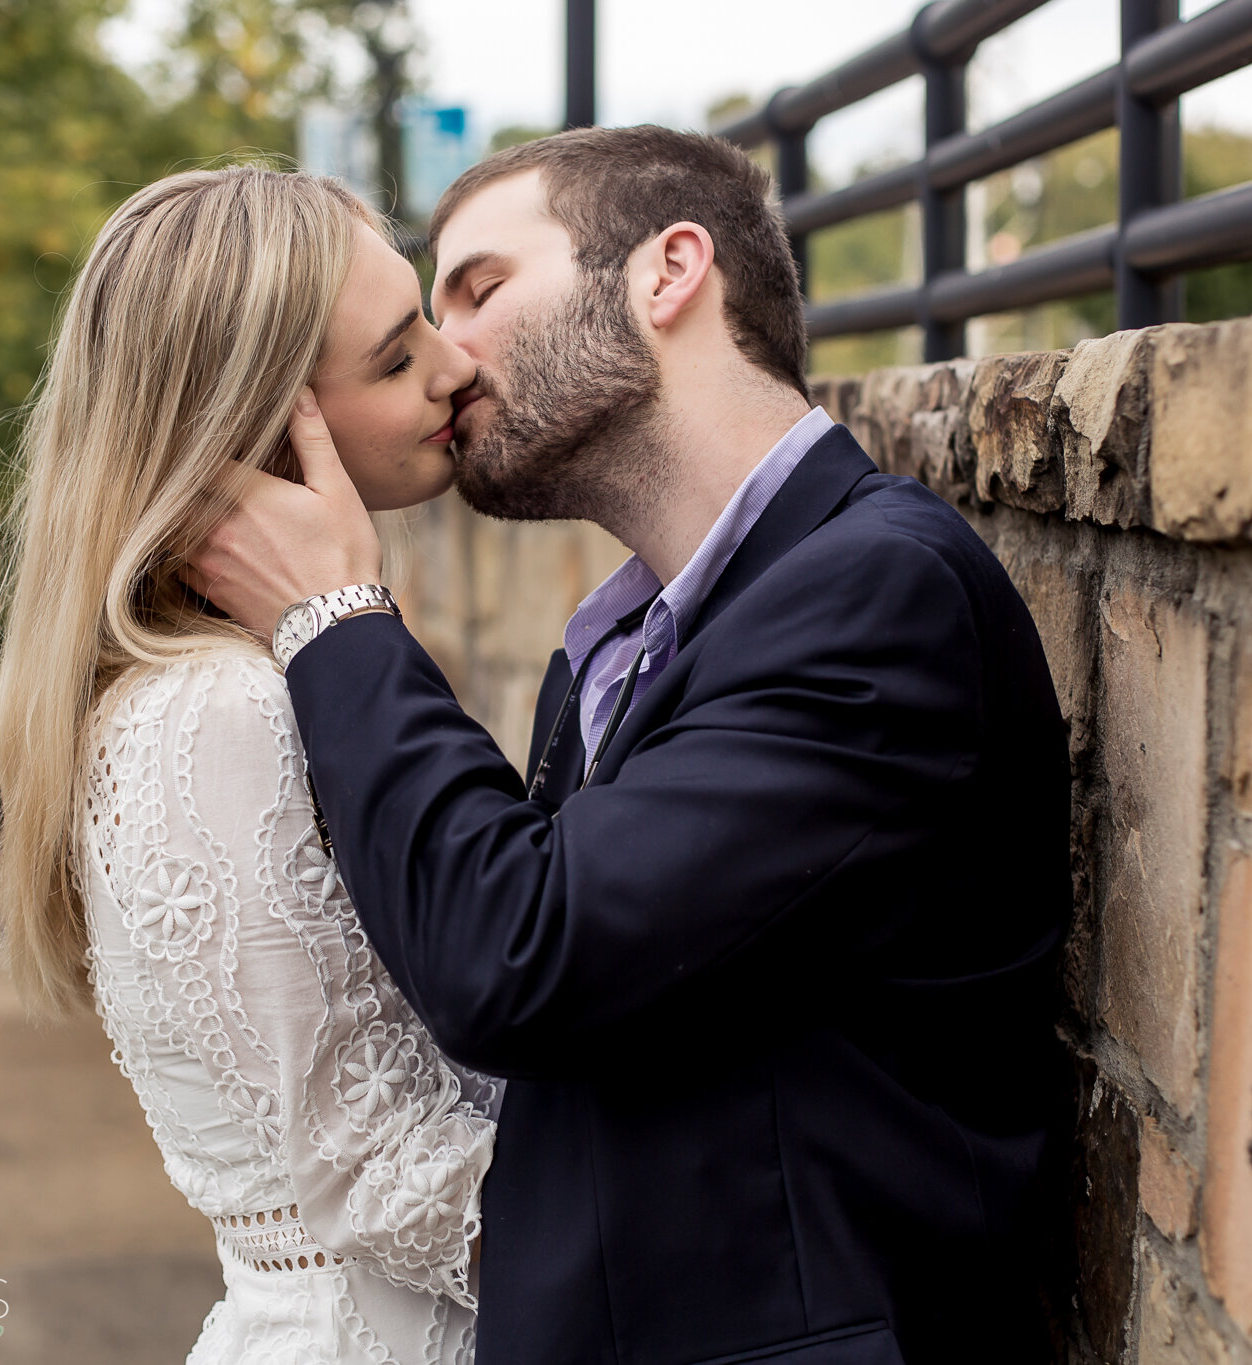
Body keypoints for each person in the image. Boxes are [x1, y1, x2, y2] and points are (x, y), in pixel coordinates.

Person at [188, 126, 1075, 1365]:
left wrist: (331, 618)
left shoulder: (874, 598)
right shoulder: (625, 640)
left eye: (479, 289)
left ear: (667, 272)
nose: (444, 359)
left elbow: (514, 953)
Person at [0, 165, 501, 1365]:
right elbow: (373, 1174)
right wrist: (714, 1231)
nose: (454, 365)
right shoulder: (212, 712)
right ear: (265, 432)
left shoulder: (251, 678)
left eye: (425, 318)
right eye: (392, 357)